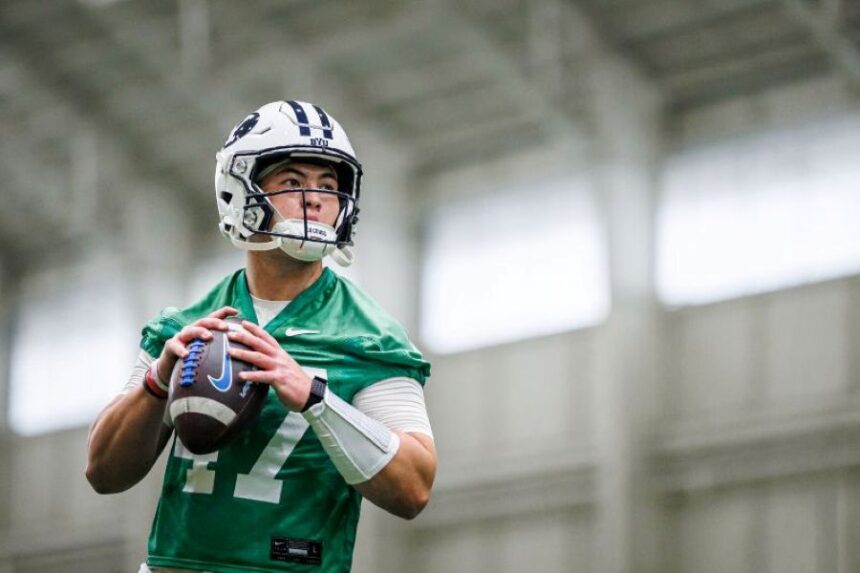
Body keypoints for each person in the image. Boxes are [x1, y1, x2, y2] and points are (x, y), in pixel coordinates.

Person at [85, 100, 436, 572]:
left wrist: (316, 399)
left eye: (329, 185)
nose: (315, 198)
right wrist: (156, 383)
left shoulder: (369, 336)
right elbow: (103, 473)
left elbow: (414, 487)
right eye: (293, 181)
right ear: (240, 189)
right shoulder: (186, 326)